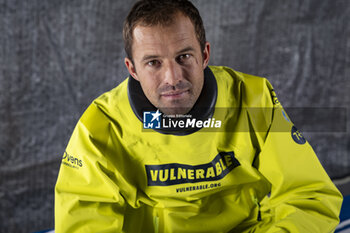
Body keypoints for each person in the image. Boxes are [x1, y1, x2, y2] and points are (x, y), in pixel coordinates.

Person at [55, 0, 343, 232]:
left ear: (204, 55)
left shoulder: (253, 99)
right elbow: (84, 223)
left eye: (184, 57)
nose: (173, 78)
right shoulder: (100, 125)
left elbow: (309, 197)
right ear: (132, 69)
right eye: (154, 63)